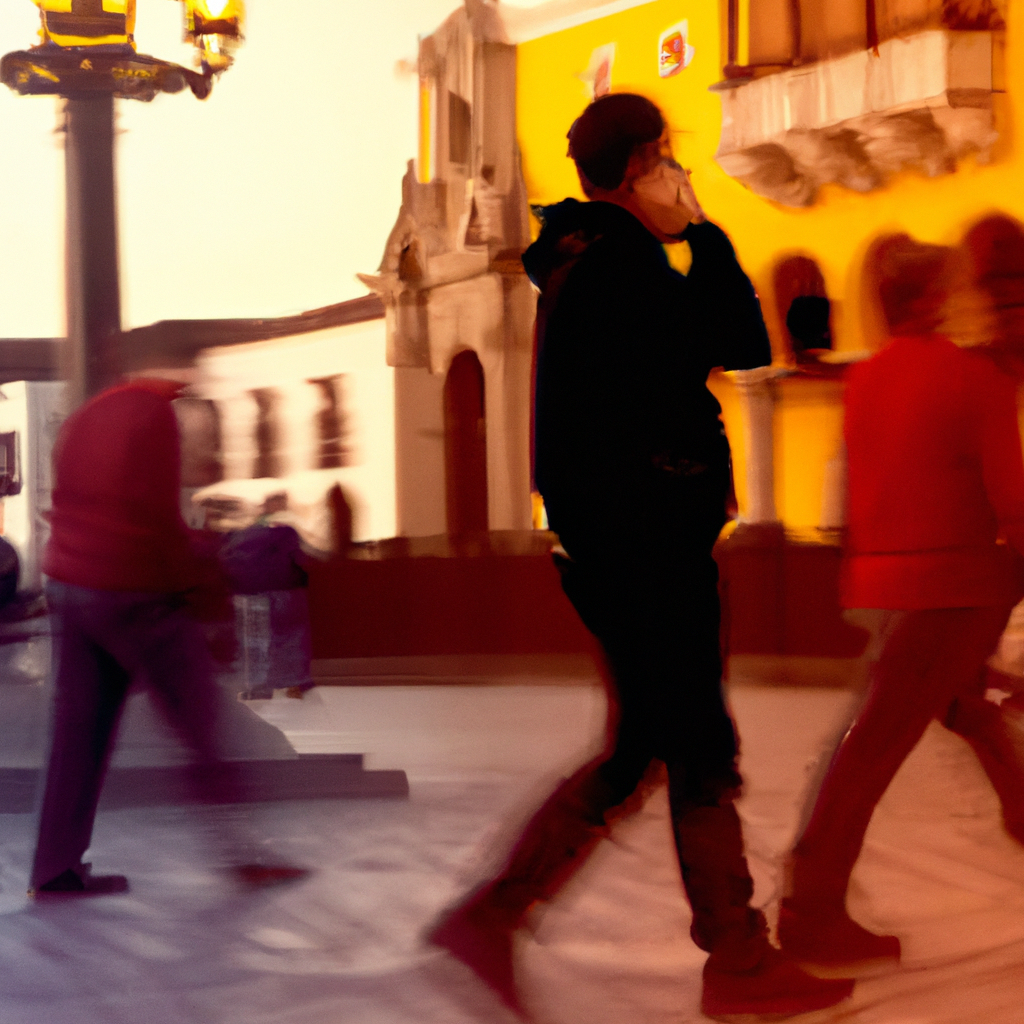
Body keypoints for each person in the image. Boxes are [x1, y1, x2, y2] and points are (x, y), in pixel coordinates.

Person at [429, 92, 854, 1021]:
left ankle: (501, 918)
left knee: (645, 746)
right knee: (691, 741)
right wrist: (707, 237)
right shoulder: (625, 269)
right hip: (648, 544)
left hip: (619, 543)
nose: (678, 171)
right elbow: (739, 341)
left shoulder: (582, 266)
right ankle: (734, 962)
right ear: (636, 166)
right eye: (667, 156)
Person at [777, 232, 1024, 972]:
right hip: (952, 589)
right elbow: (1010, 499)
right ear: (929, 298)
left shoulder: (869, 380)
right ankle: (811, 908)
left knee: (957, 710)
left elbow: (858, 493)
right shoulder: (973, 379)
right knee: (871, 752)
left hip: (886, 588)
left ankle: (1020, 809)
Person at [30, 370, 307, 897]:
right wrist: (199, 577)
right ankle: (246, 859)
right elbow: (154, 515)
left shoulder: (88, 415)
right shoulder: (155, 416)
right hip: (134, 591)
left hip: (69, 581)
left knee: (76, 737)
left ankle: (53, 870)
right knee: (199, 725)